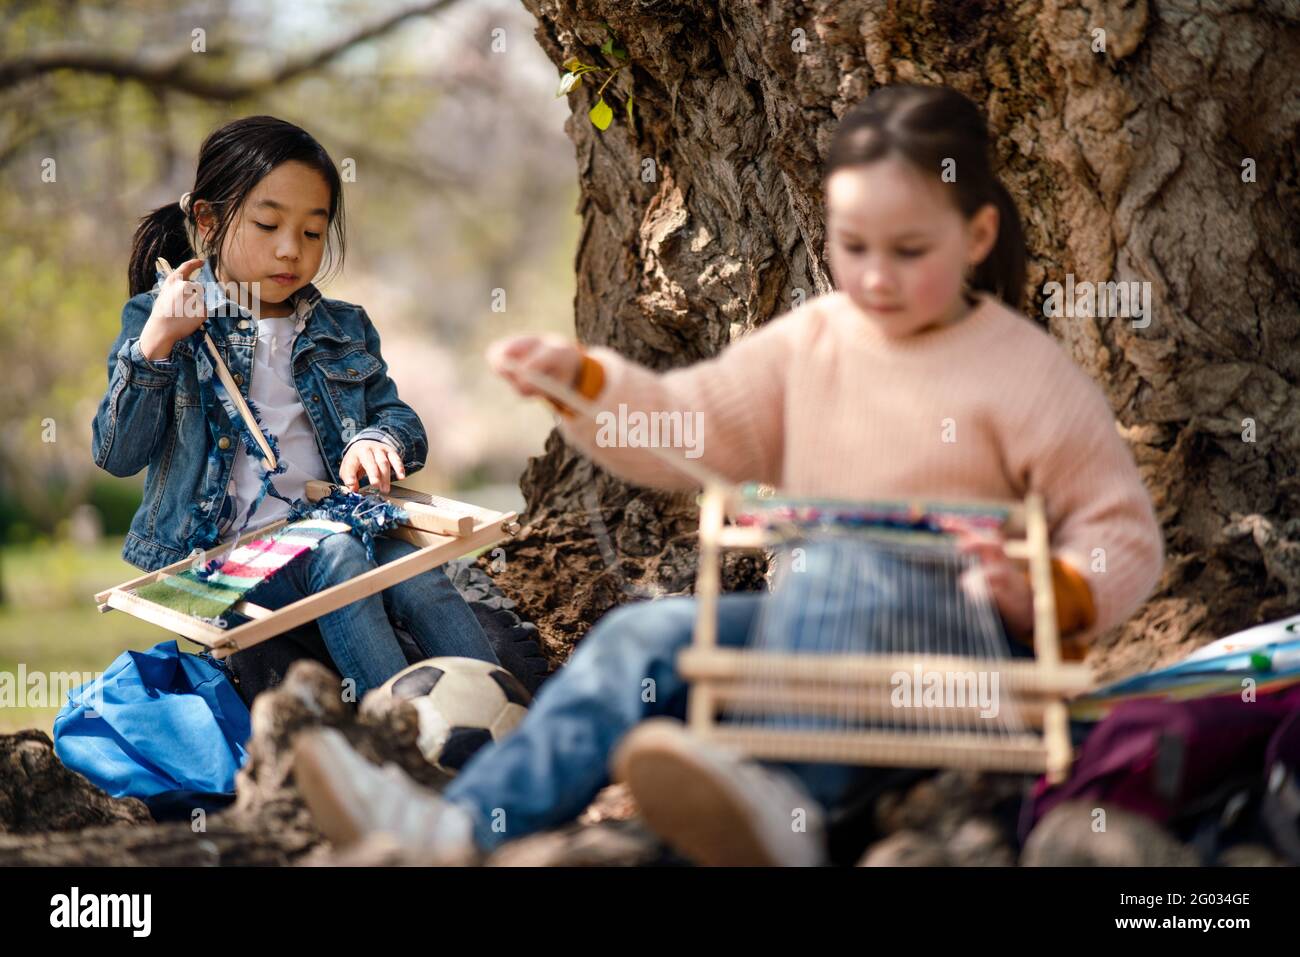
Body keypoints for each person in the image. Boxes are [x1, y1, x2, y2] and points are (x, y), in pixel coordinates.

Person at [292, 84, 1164, 865]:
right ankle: (457, 828)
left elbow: (1122, 534)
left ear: (976, 235)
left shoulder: (1021, 368)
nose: (874, 276)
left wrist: (1051, 588)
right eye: (852, 245)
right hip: (815, 629)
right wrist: (586, 384)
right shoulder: (818, 338)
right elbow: (688, 425)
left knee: (854, 564)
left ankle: (781, 797)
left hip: (958, 650)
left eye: (909, 250)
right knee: (644, 640)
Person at [91, 115, 497, 700]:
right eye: (268, 224)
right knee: (339, 558)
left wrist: (377, 440)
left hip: (333, 524)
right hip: (222, 566)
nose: (291, 249)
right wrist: (156, 342)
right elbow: (117, 454)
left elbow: (399, 419)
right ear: (207, 220)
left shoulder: (342, 327)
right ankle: (399, 729)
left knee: (416, 574)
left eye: (312, 232)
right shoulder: (164, 318)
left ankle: (501, 711)